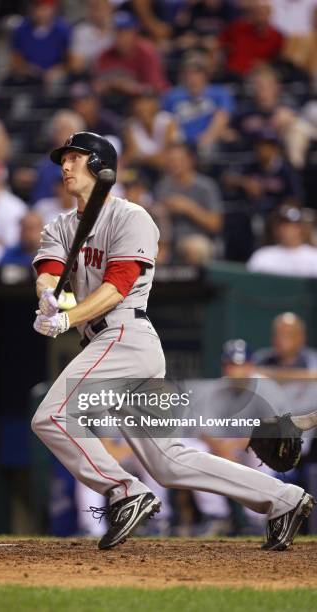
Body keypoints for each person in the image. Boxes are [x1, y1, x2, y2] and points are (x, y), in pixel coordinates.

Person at [30, 130, 315, 551]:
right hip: (107, 341)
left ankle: (124, 490)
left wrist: (67, 317)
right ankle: (284, 500)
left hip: (125, 335)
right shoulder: (59, 224)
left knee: (50, 417)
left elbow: (119, 286)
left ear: (100, 167)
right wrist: (48, 299)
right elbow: (51, 270)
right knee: (168, 462)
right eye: (64, 160)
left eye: (75, 158)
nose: (65, 166)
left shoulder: (132, 217)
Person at [154, 143, 223, 264]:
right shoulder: (162, 187)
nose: (174, 164)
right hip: (167, 241)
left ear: (191, 160)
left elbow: (215, 224)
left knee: (194, 248)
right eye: (171, 160)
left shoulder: (205, 186)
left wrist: (188, 208)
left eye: (179, 160)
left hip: (196, 238)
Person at [94, 11, 169, 109]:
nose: (119, 36)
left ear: (134, 32)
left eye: (123, 32)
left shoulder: (147, 53)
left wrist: (129, 87)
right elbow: (96, 87)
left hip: (141, 105)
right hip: (112, 106)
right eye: (116, 32)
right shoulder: (105, 55)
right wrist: (112, 84)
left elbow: (156, 89)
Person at [161, 53, 234, 152]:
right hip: (181, 144)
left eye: (197, 73)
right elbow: (165, 121)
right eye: (188, 73)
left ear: (205, 75)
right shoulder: (172, 96)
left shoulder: (219, 93)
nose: (192, 77)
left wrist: (208, 138)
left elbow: (222, 116)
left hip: (210, 141)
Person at [9, 0, 71, 86]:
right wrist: (30, 70)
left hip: (57, 78)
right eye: (37, 7)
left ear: (53, 9)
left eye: (45, 8)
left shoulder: (64, 30)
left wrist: (57, 70)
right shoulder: (21, 30)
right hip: (29, 78)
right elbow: (16, 60)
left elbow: (70, 61)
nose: (41, 12)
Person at [247, 204, 317, 277]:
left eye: (288, 225)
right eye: (280, 225)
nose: (284, 229)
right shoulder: (262, 255)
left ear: (299, 228)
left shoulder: (313, 256)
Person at [219, 0, 284, 77]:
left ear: (269, 14)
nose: (260, 16)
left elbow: (278, 61)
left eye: (263, 13)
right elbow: (220, 42)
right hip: (232, 74)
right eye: (257, 12)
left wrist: (264, 64)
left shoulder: (277, 36)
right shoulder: (237, 28)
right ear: (252, 14)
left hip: (258, 76)